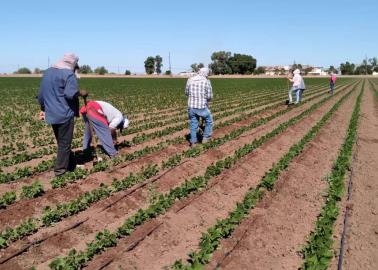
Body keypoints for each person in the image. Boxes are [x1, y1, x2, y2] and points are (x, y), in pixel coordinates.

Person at [38, 53, 85, 176]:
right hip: (64, 113)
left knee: (61, 141)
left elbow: (41, 95)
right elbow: (70, 94)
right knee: (64, 143)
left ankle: (71, 164)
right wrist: (81, 93)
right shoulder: (68, 74)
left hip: (51, 113)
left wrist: (43, 109)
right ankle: (60, 171)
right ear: (72, 64)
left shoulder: (47, 72)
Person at [185, 67, 213, 146]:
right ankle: (205, 138)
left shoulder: (190, 80)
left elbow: (186, 93)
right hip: (202, 107)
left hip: (191, 107)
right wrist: (207, 101)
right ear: (206, 73)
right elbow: (209, 96)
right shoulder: (206, 81)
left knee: (193, 124)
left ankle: (193, 142)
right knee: (209, 121)